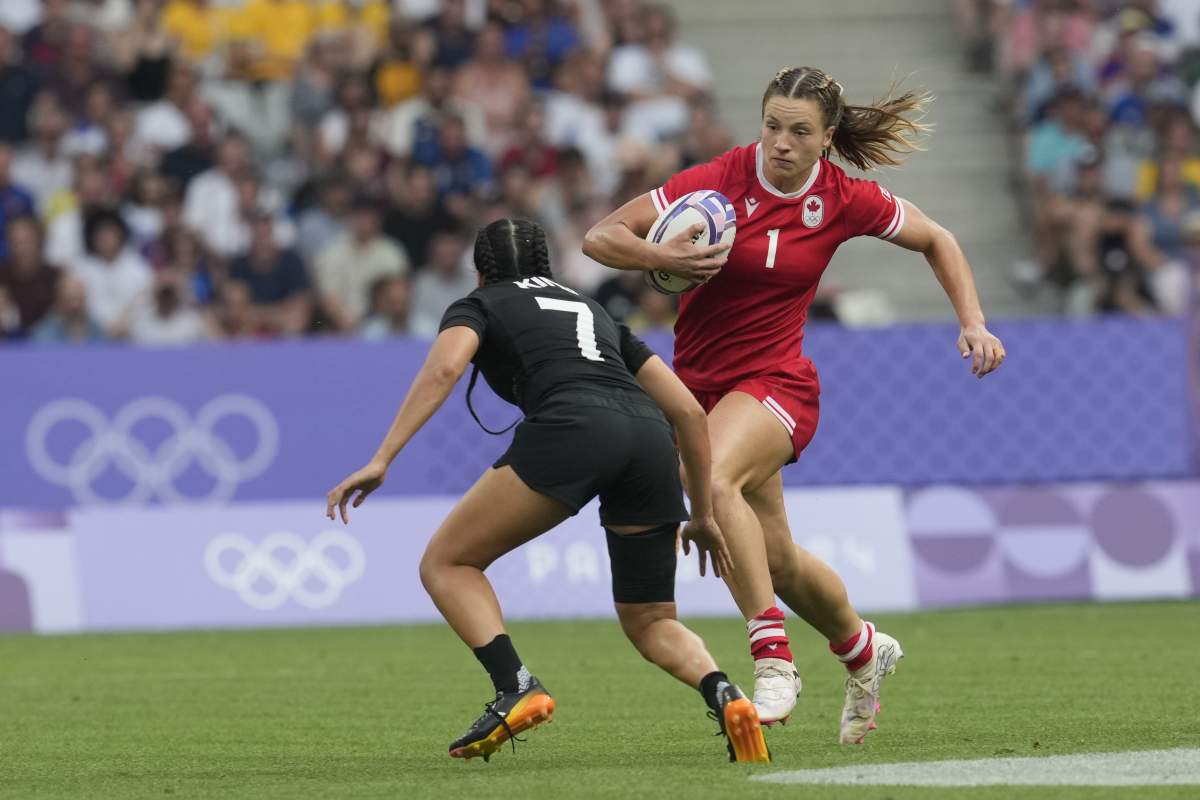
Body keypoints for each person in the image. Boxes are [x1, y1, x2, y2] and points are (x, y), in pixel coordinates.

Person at [583, 66, 1007, 742]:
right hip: (700, 389)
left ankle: (772, 660)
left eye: (798, 131)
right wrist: (656, 254)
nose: (780, 142)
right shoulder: (718, 180)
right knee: (775, 558)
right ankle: (864, 650)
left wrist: (973, 321)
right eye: (772, 125)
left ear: (826, 139)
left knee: (712, 477)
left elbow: (937, 238)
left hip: (778, 384)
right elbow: (599, 236)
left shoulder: (842, 197)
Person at [325, 218, 769, 764]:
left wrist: (382, 458)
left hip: (573, 428)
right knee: (651, 618)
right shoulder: (593, 310)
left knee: (447, 563)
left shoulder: (481, 302)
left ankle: (516, 685)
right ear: (546, 267)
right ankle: (724, 691)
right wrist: (702, 513)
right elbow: (685, 410)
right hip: (649, 437)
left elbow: (444, 368)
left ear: (481, 270)